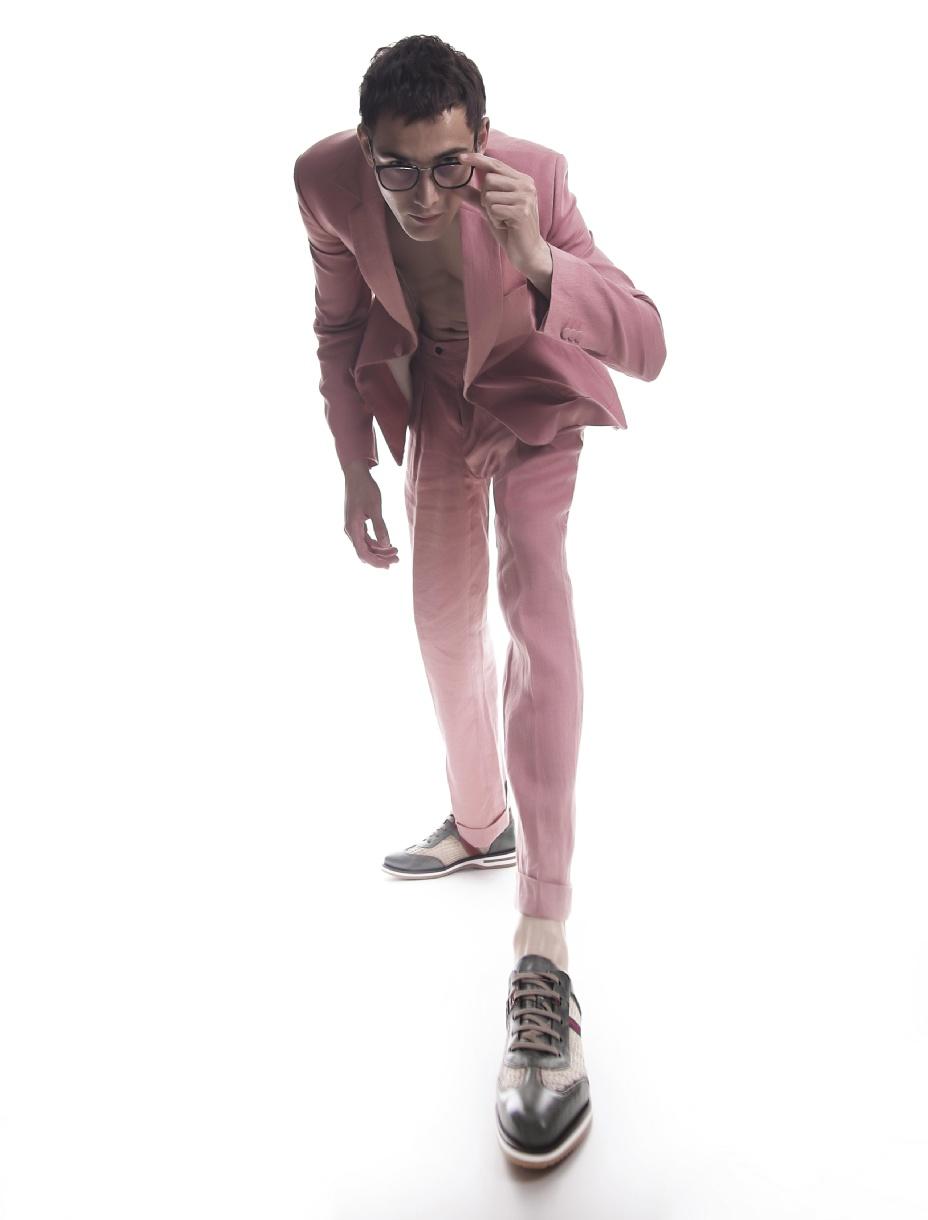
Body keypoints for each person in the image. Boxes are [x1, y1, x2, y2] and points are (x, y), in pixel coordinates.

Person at [293, 34, 666, 1170]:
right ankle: (478, 821)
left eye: (446, 167)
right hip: (435, 404)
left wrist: (535, 256)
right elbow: (339, 325)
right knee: (442, 630)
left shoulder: (534, 178)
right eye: (396, 170)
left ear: (482, 144)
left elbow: (648, 340)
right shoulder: (324, 181)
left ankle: (542, 940)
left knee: (535, 601)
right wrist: (354, 466)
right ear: (366, 149)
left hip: (530, 392)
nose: (420, 196)